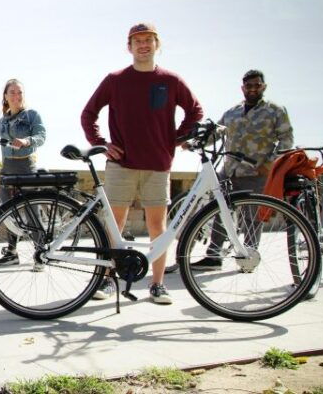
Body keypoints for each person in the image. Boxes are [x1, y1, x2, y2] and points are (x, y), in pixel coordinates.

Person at [80, 22, 203, 304]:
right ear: (129, 47)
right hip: (121, 164)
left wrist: (176, 138)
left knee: (157, 227)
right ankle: (107, 280)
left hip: (158, 164)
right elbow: (88, 114)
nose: (143, 45)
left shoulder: (171, 80)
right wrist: (101, 143)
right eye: (138, 41)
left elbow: (195, 111)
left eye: (148, 40)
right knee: (114, 225)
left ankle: (157, 285)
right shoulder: (115, 80)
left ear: (157, 44)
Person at [190, 69, 293, 270]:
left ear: (263, 87)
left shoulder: (275, 111)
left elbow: (286, 140)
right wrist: (193, 142)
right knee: (219, 211)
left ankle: (248, 258)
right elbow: (216, 133)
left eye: (257, 85)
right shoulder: (232, 112)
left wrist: (269, 164)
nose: (253, 89)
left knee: (251, 218)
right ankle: (214, 256)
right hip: (229, 171)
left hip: (256, 173)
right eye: (249, 85)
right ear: (242, 88)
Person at [0, 79, 47, 266]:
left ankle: (41, 253)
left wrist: (27, 141)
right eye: (12, 92)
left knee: (32, 211)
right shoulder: (2, 120)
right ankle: (11, 252)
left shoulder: (32, 115)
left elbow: (41, 136)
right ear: (5, 96)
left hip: (26, 166)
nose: (16, 96)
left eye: (20, 92)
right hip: (8, 168)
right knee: (8, 211)